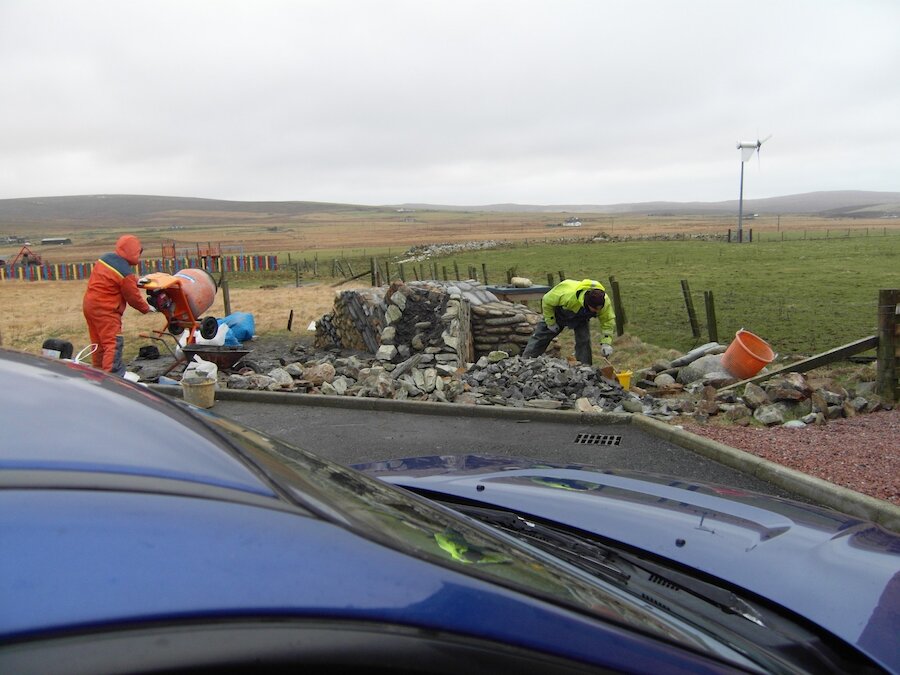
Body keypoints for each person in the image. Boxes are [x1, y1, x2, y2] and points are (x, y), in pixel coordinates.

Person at [82, 235, 155, 376]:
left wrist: (136, 280)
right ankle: (112, 378)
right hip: (106, 310)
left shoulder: (105, 259)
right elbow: (132, 297)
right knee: (113, 343)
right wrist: (146, 308)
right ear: (133, 252)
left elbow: (113, 278)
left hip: (90, 306)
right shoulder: (125, 272)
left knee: (98, 343)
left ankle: (98, 373)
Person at [522, 278, 615, 365]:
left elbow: (607, 321)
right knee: (541, 336)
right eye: (594, 309)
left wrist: (606, 342)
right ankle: (525, 361)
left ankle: (585, 368)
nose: (597, 311)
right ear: (587, 302)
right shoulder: (567, 295)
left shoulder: (604, 302)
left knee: (584, 340)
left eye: (599, 309)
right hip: (558, 312)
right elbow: (547, 300)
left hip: (581, 318)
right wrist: (550, 321)